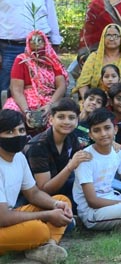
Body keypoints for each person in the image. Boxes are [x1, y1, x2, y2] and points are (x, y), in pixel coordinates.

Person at [0, 109, 72, 263]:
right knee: (38, 230)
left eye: (21, 130)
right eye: (9, 132)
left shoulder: (18, 157)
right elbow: (3, 218)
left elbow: (32, 193)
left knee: (62, 202)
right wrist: (46, 215)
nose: (17, 135)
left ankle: (48, 247)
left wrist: (55, 204)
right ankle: (42, 240)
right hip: (3, 218)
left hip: (8, 214)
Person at [1, 0, 62, 93]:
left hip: (40, 47)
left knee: (41, 86)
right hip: (10, 48)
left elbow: (51, 15)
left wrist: (56, 42)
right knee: (6, 88)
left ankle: (37, 115)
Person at [2, 31, 67, 137]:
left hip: (49, 98)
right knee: (10, 114)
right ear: (28, 43)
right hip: (25, 98)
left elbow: (61, 86)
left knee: (57, 117)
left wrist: (50, 105)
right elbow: (16, 89)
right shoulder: (22, 60)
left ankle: (46, 144)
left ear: (45, 42)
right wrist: (26, 111)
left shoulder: (53, 61)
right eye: (32, 40)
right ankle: (13, 143)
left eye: (39, 40)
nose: (36, 43)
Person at [24, 99, 87, 204]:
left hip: (61, 186)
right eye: (61, 117)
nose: (66, 122)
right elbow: (44, 189)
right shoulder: (37, 146)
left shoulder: (71, 136)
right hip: (34, 199)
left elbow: (83, 158)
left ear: (77, 121)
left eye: (71, 118)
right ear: (51, 120)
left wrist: (110, 144)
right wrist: (70, 167)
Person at [74, 24, 121, 112]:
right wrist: (87, 100)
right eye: (108, 35)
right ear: (103, 38)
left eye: (116, 36)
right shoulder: (94, 58)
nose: (112, 39)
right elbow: (83, 84)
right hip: (99, 100)